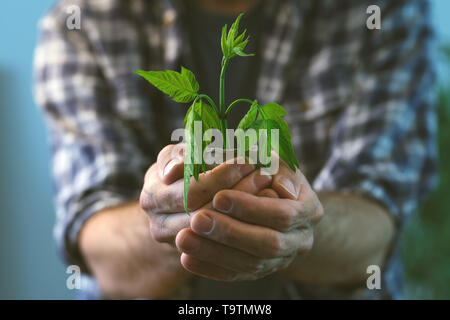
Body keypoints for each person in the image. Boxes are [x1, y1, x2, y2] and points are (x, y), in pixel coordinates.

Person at [34, 0, 437, 299]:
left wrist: (296, 220)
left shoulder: (383, 11)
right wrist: (173, 218)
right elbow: (96, 240)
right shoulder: (83, 21)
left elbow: (377, 221)